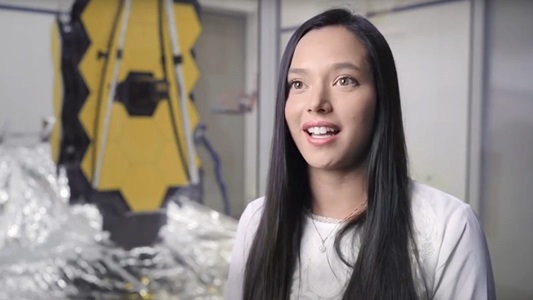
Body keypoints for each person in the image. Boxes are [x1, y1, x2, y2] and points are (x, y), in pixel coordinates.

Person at [224, 8, 495, 300]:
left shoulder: (448, 228)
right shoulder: (257, 221)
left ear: (381, 97)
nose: (316, 103)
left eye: (344, 80)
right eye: (298, 84)